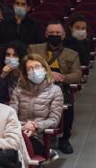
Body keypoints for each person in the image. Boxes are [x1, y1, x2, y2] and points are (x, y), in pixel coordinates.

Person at [30, 22, 81, 154]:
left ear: (63, 35)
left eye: (57, 33)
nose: (54, 35)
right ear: (46, 34)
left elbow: (77, 75)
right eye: (51, 33)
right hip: (35, 87)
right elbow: (26, 67)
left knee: (68, 103)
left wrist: (62, 77)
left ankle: (64, 139)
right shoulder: (34, 49)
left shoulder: (72, 54)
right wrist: (47, 74)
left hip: (59, 89)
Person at [9, 54, 63, 157]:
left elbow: (54, 120)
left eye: (37, 67)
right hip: (19, 132)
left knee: (19, 147)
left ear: (45, 69)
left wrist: (35, 126)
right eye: (30, 68)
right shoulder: (18, 90)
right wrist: (23, 126)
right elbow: (11, 116)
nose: (34, 71)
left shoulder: (55, 91)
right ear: (25, 74)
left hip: (40, 136)